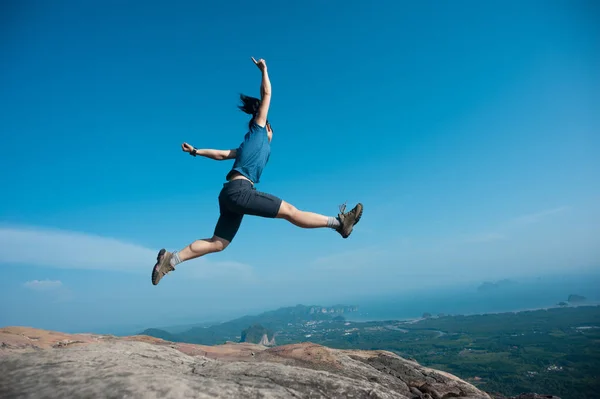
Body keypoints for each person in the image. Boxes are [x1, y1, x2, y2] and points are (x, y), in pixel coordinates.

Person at [151, 57, 363, 286]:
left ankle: (170, 261)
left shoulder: (245, 148)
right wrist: (264, 70)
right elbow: (267, 95)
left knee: (218, 243)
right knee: (291, 211)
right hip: (240, 191)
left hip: (229, 195)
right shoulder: (259, 130)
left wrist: (196, 151)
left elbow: (221, 155)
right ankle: (340, 223)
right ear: (267, 126)